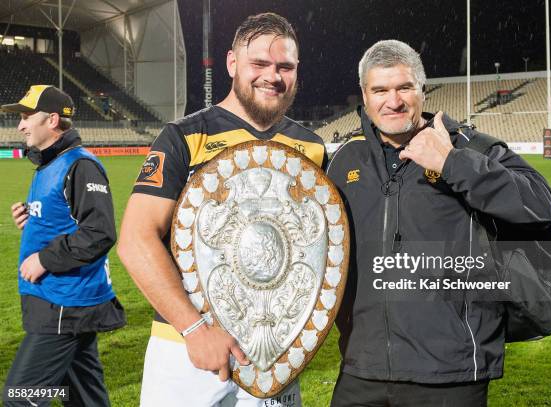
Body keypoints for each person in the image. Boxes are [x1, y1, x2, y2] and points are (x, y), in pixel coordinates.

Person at [326, 40, 551, 406]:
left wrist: (452, 163)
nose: (393, 101)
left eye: (404, 87)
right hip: (362, 368)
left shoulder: (470, 147)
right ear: (365, 96)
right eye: (380, 90)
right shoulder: (344, 161)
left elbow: (540, 204)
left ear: (422, 88)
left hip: (449, 373)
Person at [117, 13, 326, 407]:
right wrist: (194, 329)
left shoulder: (312, 148)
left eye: (285, 66)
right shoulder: (184, 137)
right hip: (186, 350)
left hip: (275, 353)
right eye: (259, 64)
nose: (273, 76)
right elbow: (135, 239)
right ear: (232, 64)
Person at [2, 85, 126, 407]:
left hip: (64, 305)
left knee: (20, 397)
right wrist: (33, 219)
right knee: (84, 397)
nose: (21, 125)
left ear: (53, 120)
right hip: (60, 302)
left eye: (28, 116)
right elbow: (65, 219)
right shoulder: (48, 164)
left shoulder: (80, 165)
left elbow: (99, 232)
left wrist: (43, 258)